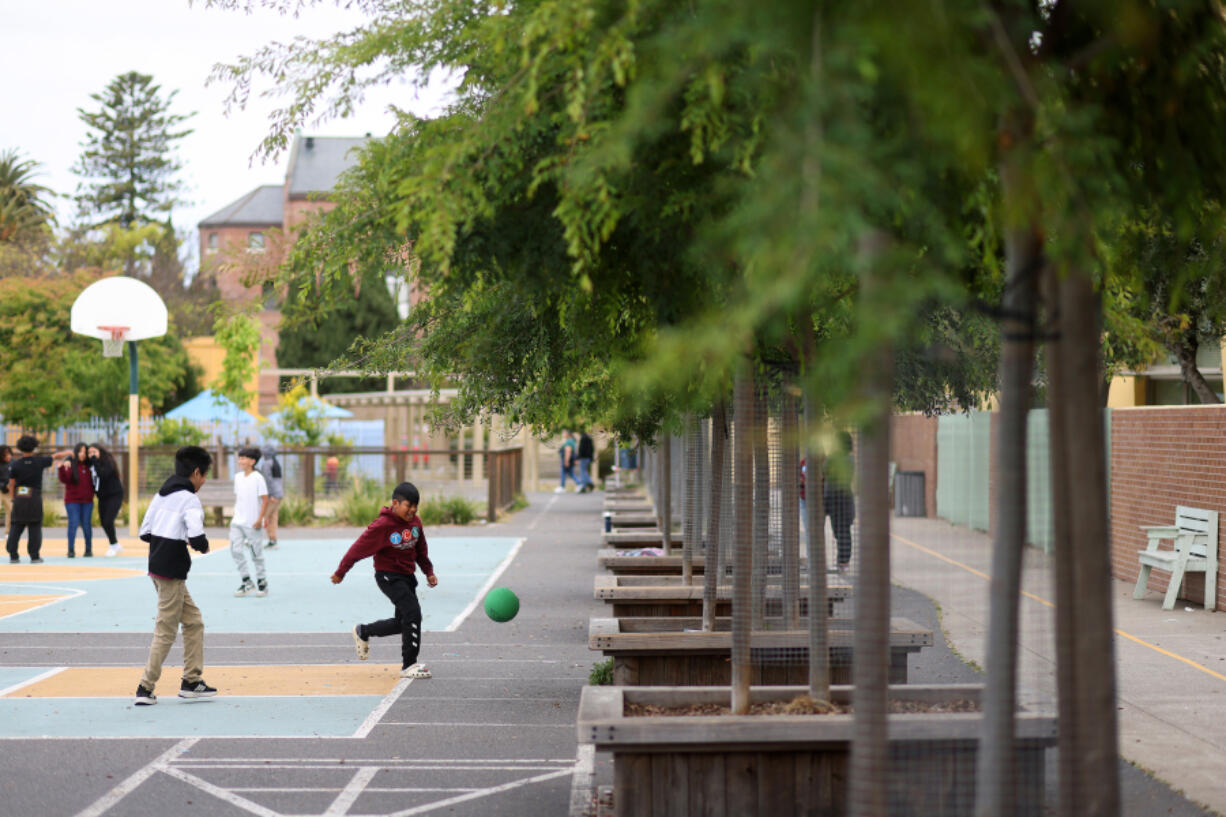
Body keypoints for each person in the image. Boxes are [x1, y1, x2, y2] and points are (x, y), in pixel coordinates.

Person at [134, 445, 217, 706]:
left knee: (194, 622)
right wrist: (202, 545)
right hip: (172, 571)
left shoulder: (162, 494)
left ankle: (192, 681)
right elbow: (196, 535)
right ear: (196, 473)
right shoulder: (189, 499)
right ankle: (145, 688)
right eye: (204, 476)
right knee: (166, 630)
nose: (203, 481)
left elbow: (144, 531)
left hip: (157, 566)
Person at [332, 481, 438, 679]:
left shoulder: (415, 523)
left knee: (403, 622)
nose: (413, 510)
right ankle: (409, 664)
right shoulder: (383, 525)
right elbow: (358, 548)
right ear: (395, 503)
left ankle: (363, 631)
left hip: (407, 576)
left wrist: (428, 571)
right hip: (388, 576)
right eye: (409, 505)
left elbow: (421, 550)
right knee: (413, 614)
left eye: (416, 505)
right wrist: (341, 571)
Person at [6, 436, 70, 564]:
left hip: (20, 497)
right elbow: (55, 456)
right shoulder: (39, 461)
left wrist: (13, 498)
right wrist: (68, 452)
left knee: (16, 525)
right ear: (34, 447)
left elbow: (11, 484)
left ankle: (13, 555)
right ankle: (34, 556)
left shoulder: (16, 464)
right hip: (34, 497)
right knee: (34, 526)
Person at [230, 447, 270, 598]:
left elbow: (265, 500)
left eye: (244, 458)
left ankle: (262, 582)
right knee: (235, 550)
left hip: (253, 523)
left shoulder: (258, 478)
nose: (240, 461)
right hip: (237, 522)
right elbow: (239, 499)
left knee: (256, 554)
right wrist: (235, 516)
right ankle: (247, 581)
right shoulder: (237, 477)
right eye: (240, 458)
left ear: (253, 461)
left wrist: (260, 519)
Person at [824, 432, 856, 572]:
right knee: (843, 531)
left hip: (835, 498)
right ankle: (843, 562)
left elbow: (824, 471)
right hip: (845, 498)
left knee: (839, 531)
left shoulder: (833, 458)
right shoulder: (851, 459)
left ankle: (842, 562)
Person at [58, 443, 95, 558]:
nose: (82, 454)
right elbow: (64, 479)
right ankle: (71, 549)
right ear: (76, 452)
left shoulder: (90, 466)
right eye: (80, 451)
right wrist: (61, 468)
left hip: (88, 501)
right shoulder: (71, 464)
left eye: (85, 452)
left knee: (86, 525)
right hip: (72, 501)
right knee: (73, 524)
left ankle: (88, 549)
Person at [88, 443, 125, 557]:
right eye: (89, 453)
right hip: (102, 497)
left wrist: (94, 461)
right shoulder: (90, 464)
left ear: (100, 452)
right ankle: (115, 544)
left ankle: (113, 545)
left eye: (94, 452)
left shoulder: (108, 461)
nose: (91, 455)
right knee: (103, 522)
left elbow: (102, 475)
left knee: (108, 520)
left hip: (114, 495)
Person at [257, 444, 284, 549]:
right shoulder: (276, 463)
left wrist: (270, 495)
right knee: (272, 517)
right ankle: (273, 540)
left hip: (273, 495)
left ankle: (252, 539)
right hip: (279, 494)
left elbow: (267, 480)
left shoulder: (267, 464)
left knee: (263, 516)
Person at [0, 445, 12, 530]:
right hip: (0, 490)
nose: (8, 456)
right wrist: (3, 485)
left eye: (9, 454)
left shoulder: (13, 463)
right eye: (5, 454)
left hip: (9, 491)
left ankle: (8, 533)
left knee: (11, 511)